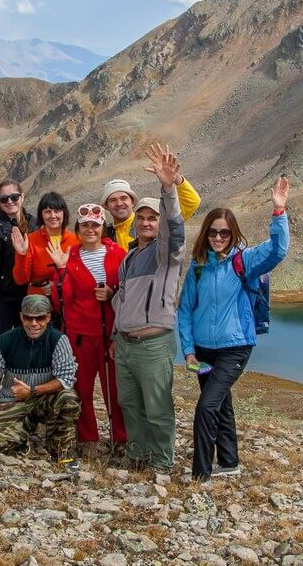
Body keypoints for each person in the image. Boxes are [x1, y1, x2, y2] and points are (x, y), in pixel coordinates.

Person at [179, 177, 290, 481]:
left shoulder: (245, 260)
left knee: (207, 407)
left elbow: (278, 251)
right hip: (202, 352)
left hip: (234, 348)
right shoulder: (199, 266)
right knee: (222, 404)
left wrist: (279, 212)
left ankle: (200, 475)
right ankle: (229, 463)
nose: (218, 237)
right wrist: (188, 351)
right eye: (213, 232)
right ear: (206, 234)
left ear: (232, 234)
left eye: (224, 232)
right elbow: (186, 310)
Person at [111, 144, 186, 472]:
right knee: (130, 404)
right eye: (140, 217)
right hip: (125, 344)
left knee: (157, 407)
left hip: (154, 344)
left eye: (151, 218)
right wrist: (115, 335)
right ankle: (137, 455)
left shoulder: (166, 254)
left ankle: (162, 462)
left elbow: (176, 228)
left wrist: (168, 188)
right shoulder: (128, 257)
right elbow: (122, 300)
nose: (144, 222)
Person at [42, 203, 128, 453]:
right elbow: (61, 303)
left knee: (116, 389)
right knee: (82, 389)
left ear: (103, 228)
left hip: (111, 334)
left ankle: (121, 438)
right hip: (81, 336)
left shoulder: (119, 254)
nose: (90, 229)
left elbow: (128, 292)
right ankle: (87, 438)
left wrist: (112, 293)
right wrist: (60, 270)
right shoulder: (70, 257)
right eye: (85, 225)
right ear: (78, 229)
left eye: (95, 225)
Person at [0, 295, 81, 471]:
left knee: (68, 398)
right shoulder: (6, 340)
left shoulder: (58, 340)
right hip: (12, 401)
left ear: (48, 317)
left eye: (40, 318)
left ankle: (60, 451)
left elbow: (64, 380)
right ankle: (23, 437)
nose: (34, 323)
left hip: (44, 399)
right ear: (21, 317)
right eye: (29, 317)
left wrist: (32, 391)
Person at [0, 179, 37, 412]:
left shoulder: (35, 223)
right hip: (3, 297)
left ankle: (26, 400)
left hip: (29, 297)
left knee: (30, 349)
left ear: (21, 197)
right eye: (4, 199)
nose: (10, 202)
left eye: (14, 197)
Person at [101, 158, 201, 251]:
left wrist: (176, 178)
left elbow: (191, 202)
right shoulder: (103, 235)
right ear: (106, 206)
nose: (119, 203)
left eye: (124, 198)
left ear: (132, 202)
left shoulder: (154, 224)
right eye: (113, 200)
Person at [11, 192, 79, 323]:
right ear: (41, 215)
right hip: (38, 306)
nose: (53, 216)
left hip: (69, 304)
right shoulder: (30, 240)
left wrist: (57, 284)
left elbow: (80, 277)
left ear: (64, 213)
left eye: (57, 211)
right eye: (47, 211)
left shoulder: (75, 241)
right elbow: (20, 280)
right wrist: (21, 254)